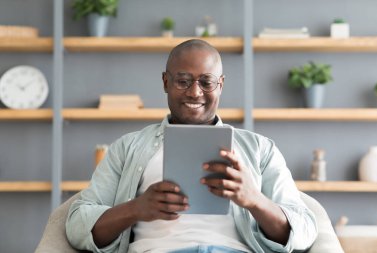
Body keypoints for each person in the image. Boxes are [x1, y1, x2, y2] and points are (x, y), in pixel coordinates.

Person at [66, 39, 317, 253]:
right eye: (183, 81)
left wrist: (254, 200)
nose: (195, 92)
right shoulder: (127, 147)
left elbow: (305, 230)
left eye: (206, 82)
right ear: (166, 82)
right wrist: (136, 208)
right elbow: (77, 225)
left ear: (220, 84)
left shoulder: (261, 149)